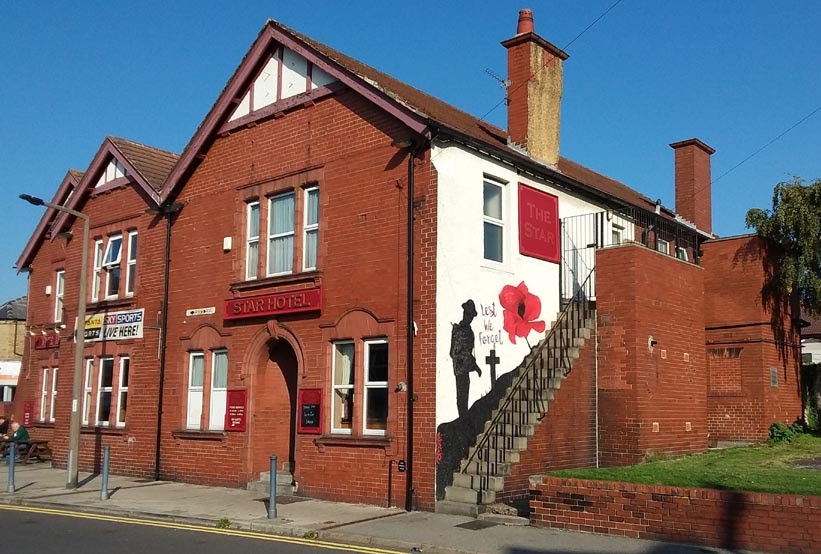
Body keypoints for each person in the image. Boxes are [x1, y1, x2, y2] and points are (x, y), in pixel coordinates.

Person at [450, 299, 482, 418]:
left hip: (461, 369)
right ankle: (462, 421)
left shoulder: (461, 330)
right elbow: (458, 352)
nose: (470, 318)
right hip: (462, 369)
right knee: (462, 399)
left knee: (462, 398)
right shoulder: (463, 331)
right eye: (469, 314)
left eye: (471, 315)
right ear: (465, 314)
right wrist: (474, 366)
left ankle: (463, 419)